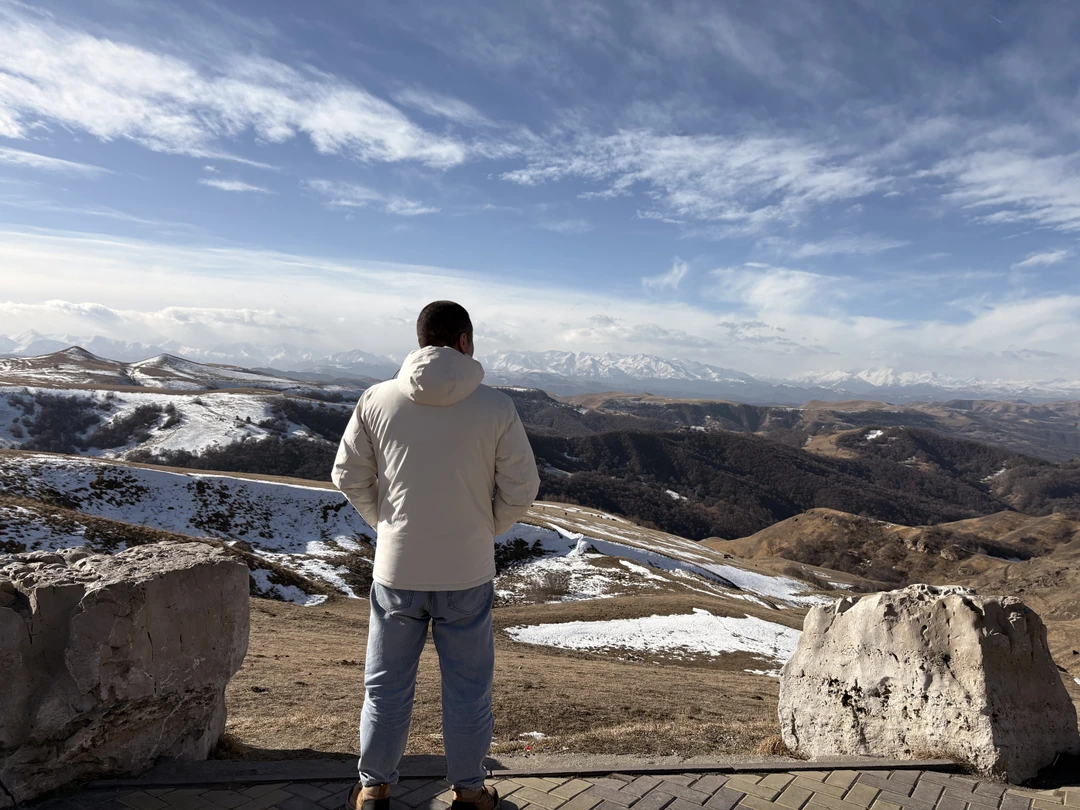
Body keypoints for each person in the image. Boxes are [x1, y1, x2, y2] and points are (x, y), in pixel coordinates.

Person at [332, 301, 541, 810]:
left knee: (385, 686)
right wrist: (484, 527)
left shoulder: (376, 399)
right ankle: (470, 791)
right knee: (468, 690)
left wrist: (388, 525)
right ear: (465, 341)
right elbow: (522, 486)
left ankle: (373, 787)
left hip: (397, 568)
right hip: (467, 570)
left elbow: (347, 475)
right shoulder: (496, 406)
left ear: (421, 340)